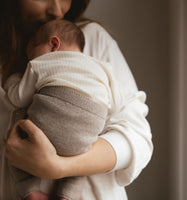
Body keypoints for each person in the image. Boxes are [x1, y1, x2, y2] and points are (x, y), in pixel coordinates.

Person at [0, 0, 153, 200]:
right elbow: (115, 100)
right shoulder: (99, 69)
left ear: (54, 43)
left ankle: (31, 191)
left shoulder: (92, 37)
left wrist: (59, 166)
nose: (57, 10)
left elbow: (137, 135)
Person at [4, 19, 123, 200]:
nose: (31, 58)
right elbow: (116, 106)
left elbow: (17, 98)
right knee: (81, 163)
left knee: (17, 133)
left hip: (45, 131)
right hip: (86, 135)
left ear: (53, 44)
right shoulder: (103, 68)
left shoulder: (41, 63)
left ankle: (30, 191)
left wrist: (13, 80)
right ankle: (67, 196)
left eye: (33, 50)